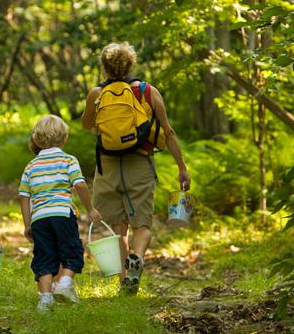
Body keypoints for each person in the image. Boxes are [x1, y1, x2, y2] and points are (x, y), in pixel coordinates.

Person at [81, 42, 191, 295]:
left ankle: (124, 282)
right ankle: (137, 257)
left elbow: (87, 124)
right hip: (140, 161)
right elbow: (168, 131)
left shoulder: (96, 93)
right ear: (131, 64)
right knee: (142, 224)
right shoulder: (147, 91)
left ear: (104, 66)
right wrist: (181, 168)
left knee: (118, 228)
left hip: (107, 165)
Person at [19, 115, 102, 312]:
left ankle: (45, 299)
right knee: (72, 250)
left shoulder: (31, 166)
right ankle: (64, 283)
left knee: (45, 257)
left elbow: (23, 196)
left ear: (37, 140)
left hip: (39, 219)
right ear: (64, 138)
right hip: (62, 214)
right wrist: (90, 209)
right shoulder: (68, 160)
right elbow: (80, 184)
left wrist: (27, 224)